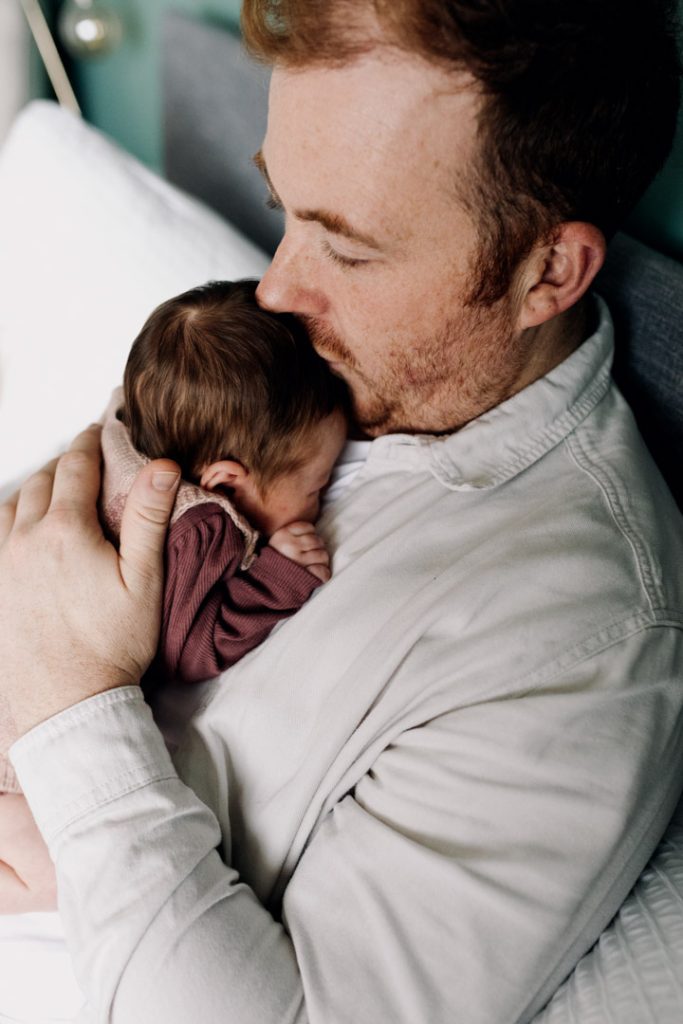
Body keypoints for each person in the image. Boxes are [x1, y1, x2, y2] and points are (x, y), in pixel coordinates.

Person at [1, 1, 682, 1021]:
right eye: (283, 209)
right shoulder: (279, 343)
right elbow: (54, 520)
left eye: (348, 250)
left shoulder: (573, 639)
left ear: (546, 272)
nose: (275, 287)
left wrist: (73, 715)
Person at [0, 277, 346, 913]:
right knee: (54, 873)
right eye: (317, 486)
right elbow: (191, 647)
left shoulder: (126, 421)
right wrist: (276, 580)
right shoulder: (198, 528)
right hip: (17, 728)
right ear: (227, 482)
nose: (317, 505)